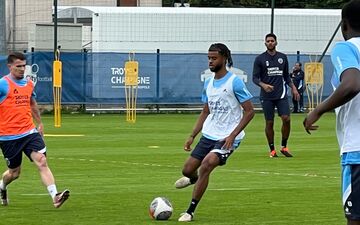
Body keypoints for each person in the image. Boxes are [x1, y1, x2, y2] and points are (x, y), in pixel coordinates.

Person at [174, 43, 255, 222]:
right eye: (209, 58)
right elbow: (206, 111)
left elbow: (250, 111)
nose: (210, 61)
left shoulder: (235, 82)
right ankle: (193, 179)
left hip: (228, 137)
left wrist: (233, 135)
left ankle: (190, 211)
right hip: (209, 134)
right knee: (187, 170)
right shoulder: (209, 83)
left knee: (207, 164)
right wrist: (192, 135)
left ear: (224, 58)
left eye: (214, 58)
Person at [303, 1, 360, 224]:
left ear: (344, 25)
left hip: (357, 151)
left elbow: (352, 84)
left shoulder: (347, 48)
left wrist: (317, 110)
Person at [0, 52, 69, 208]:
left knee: (42, 161)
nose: (22, 69)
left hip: (29, 131)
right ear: (9, 66)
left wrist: (39, 123)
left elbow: (32, 103)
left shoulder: (29, 83)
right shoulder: (3, 84)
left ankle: (55, 196)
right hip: (8, 137)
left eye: (24, 66)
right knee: (14, 173)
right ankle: (2, 187)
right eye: (19, 66)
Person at [252, 33, 299, 158]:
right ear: (265, 43)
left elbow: (286, 76)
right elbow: (255, 78)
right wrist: (263, 85)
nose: (270, 43)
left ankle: (284, 146)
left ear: (276, 42)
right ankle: (272, 149)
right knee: (269, 122)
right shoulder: (260, 59)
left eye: (272, 41)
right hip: (266, 96)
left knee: (286, 119)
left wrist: (293, 88)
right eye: (268, 41)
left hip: (281, 94)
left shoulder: (282, 57)